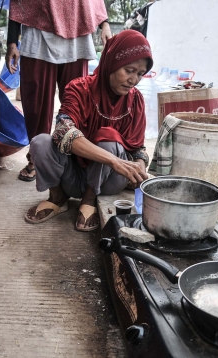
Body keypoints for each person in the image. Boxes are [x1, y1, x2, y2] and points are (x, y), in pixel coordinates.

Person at [24, 30, 152, 232]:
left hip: (109, 181)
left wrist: (138, 169)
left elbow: (138, 149)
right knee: (40, 142)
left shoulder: (135, 100)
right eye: (129, 70)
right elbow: (62, 133)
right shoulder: (78, 89)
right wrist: (115, 161)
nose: (133, 80)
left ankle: (89, 200)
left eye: (140, 74)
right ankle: (57, 198)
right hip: (71, 177)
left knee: (109, 139)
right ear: (111, 61)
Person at [5, 0, 112, 182]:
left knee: (78, 104)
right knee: (36, 105)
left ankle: (76, 159)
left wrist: (105, 23)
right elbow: (19, 3)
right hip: (38, 33)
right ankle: (37, 159)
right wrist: (12, 42)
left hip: (77, 32)